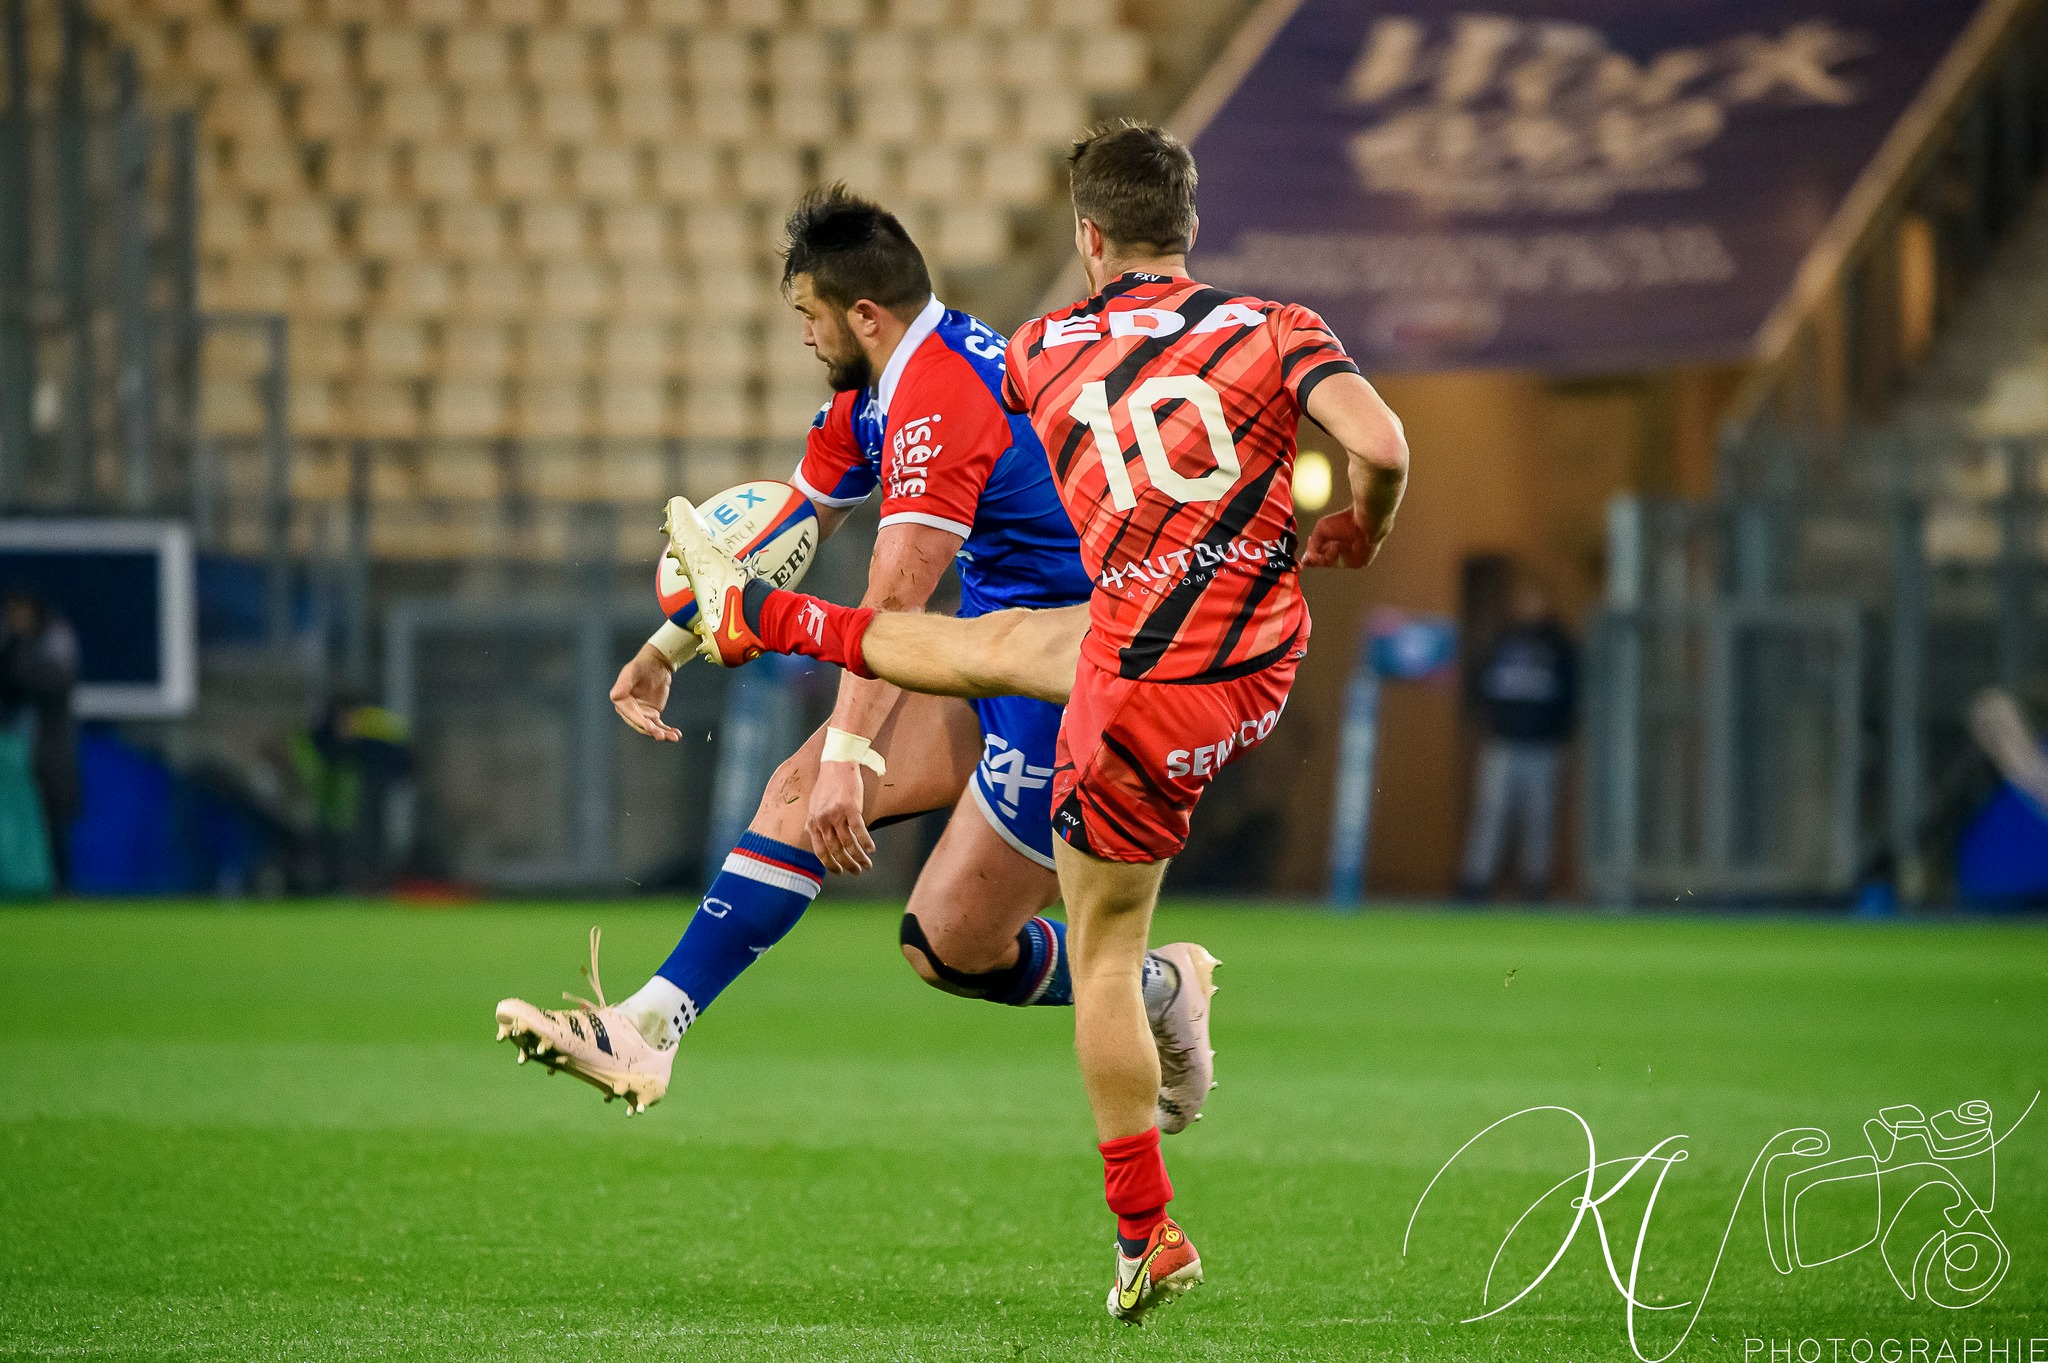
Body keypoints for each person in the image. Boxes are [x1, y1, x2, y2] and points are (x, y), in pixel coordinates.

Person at [664, 122, 1410, 1322]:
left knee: (1101, 946)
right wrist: (1360, 527)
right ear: (1190, 229)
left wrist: (863, 455)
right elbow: (1377, 446)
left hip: (1127, 678)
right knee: (985, 654)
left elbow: (951, 415)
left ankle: (1146, 1230)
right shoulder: (1272, 326)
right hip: (1254, 656)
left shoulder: (1041, 348)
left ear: (1085, 237)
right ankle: (764, 612)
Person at [495, 188, 1218, 1133]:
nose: (805, 337)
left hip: (1072, 681)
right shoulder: (871, 393)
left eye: (810, 316)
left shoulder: (944, 394)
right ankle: (648, 1027)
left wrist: (850, 759)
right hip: (991, 649)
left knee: (950, 943)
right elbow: (784, 535)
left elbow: (893, 607)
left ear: (864, 316)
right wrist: (665, 648)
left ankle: (1165, 986)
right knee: (799, 794)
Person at [1455, 581, 1578, 901]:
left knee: (1540, 818)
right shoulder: (1502, 641)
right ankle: (1476, 882)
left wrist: (1562, 732)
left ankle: (1534, 884)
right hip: (1502, 743)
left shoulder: (1559, 645)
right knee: (1491, 815)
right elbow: (1478, 683)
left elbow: (1572, 694)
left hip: (1543, 745)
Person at [0, 589, 81, 892]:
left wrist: (17, 652)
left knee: (54, 823)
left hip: (46, 752)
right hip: (11, 752)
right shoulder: (8, 643)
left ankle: (60, 890)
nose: (16, 618)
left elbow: (52, 683)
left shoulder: (53, 641)